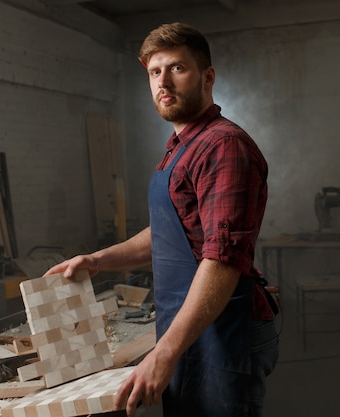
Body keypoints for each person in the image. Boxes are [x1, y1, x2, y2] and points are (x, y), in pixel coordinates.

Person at [44, 22, 279, 417]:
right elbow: (172, 233)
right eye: (155, 72)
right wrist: (98, 261)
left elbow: (222, 260)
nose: (163, 82)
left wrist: (164, 352)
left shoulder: (223, 147)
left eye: (177, 68)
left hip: (224, 332)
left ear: (208, 77)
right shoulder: (181, 147)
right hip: (191, 329)